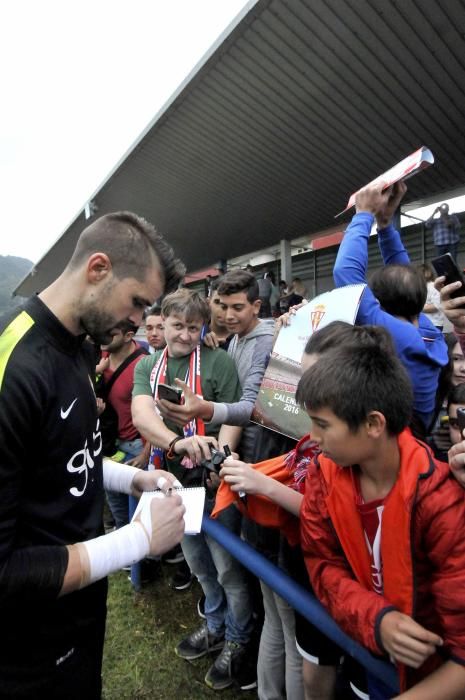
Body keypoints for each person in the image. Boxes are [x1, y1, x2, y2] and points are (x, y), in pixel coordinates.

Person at [0, 211, 187, 698]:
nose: (141, 322)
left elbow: (64, 456)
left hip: (78, 615)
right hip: (23, 644)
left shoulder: (81, 349)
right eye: (138, 302)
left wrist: (133, 481)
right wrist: (136, 541)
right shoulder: (14, 366)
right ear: (98, 269)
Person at [298, 327, 465, 698]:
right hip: (373, 660)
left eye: (322, 424)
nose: (312, 437)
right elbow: (322, 562)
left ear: (373, 424)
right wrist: (377, 620)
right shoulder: (323, 475)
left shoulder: (441, 503)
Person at [131, 288, 253, 691]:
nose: (185, 335)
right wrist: (174, 443)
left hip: (214, 481)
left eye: (193, 328)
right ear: (163, 322)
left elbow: (233, 414)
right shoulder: (148, 364)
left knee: (227, 566)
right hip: (175, 480)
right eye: (178, 326)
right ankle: (214, 623)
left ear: (204, 328)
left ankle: (238, 638)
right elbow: (142, 413)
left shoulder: (217, 361)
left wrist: (223, 455)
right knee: (198, 562)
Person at [333, 180, 448, 436]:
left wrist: (363, 215)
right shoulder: (429, 334)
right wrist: (385, 224)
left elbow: (345, 273)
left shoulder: (398, 336)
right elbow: (405, 279)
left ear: (378, 302)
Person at [98, 320, 150, 529]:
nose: (103, 337)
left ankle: (146, 559)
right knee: (118, 511)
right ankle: (128, 558)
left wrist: (146, 453)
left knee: (139, 514)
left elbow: (157, 413)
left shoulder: (143, 365)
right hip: (108, 446)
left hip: (134, 447)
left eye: (110, 333)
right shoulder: (100, 358)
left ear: (128, 336)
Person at [419, 262, 446, 331]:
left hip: (434, 324)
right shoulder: (422, 287)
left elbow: (436, 306)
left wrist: (417, 308)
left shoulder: (433, 286)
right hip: (424, 323)